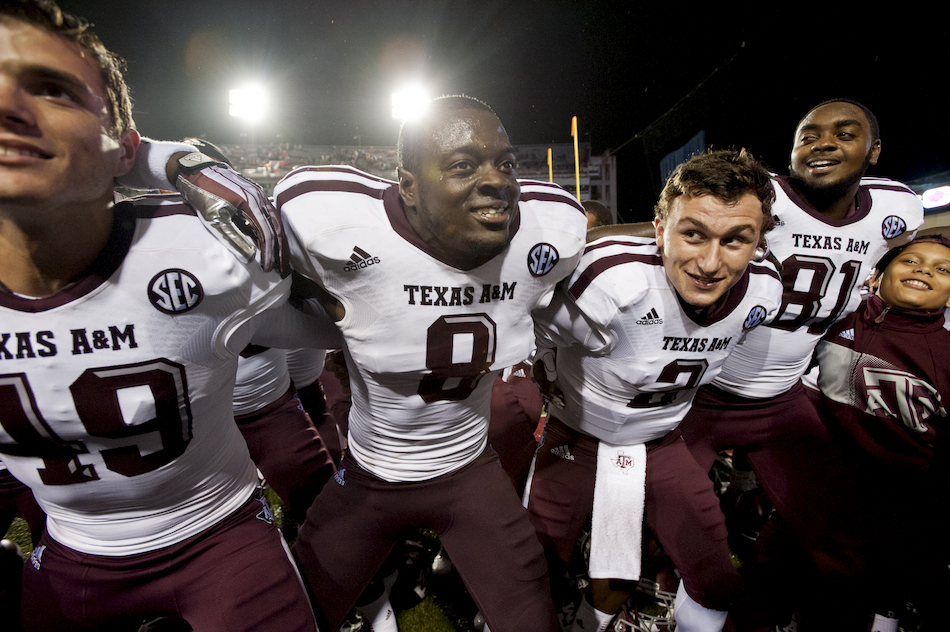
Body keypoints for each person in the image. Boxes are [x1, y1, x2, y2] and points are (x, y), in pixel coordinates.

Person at [0, 2, 338, 630]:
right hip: (73, 547)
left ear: (122, 148)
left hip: (217, 528)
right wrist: (171, 158)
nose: (9, 105)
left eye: (52, 89)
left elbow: (362, 320)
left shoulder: (204, 248)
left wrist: (174, 158)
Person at [277, 95, 588, 632]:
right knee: (293, 617)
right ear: (408, 186)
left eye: (507, 163)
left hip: (469, 472)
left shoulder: (550, 231)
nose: (498, 181)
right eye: (464, 166)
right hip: (370, 475)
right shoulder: (332, 226)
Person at [667, 99, 925, 630]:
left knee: (835, 532)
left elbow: (886, 257)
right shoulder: (761, 197)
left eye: (844, 133)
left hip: (782, 398)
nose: (823, 143)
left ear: (873, 151)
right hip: (701, 392)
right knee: (668, 522)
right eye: (808, 134)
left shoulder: (897, 209)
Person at [524, 149, 784, 632]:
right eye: (693, 233)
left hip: (661, 443)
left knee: (713, 572)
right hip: (575, 439)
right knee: (531, 563)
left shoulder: (765, 292)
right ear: (660, 228)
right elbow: (527, 338)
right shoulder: (610, 277)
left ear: (760, 244)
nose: (709, 262)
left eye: (735, 240)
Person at [813, 234, 950, 631]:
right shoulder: (835, 320)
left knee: (880, 598)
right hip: (818, 486)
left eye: (943, 269)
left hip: (903, 505)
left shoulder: (944, 353)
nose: (925, 269)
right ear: (878, 274)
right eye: (912, 261)